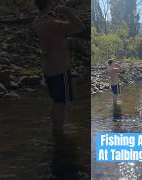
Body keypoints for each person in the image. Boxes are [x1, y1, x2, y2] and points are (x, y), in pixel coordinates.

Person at [32, 0, 85, 137]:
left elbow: (56, 30)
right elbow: (80, 27)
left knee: (56, 102)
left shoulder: (38, 21)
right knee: (61, 104)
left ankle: (56, 130)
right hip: (60, 68)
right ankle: (59, 134)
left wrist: (60, 16)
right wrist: (68, 12)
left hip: (48, 68)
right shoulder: (53, 23)